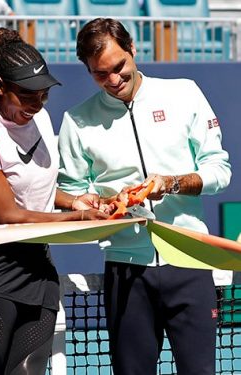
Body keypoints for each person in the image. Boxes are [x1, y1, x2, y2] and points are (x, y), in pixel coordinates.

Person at [58, 18, 232, 374]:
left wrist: (170, 183)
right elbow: (68, 193)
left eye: (119, 67)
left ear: (133, 49)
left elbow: (220, 171)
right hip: (125, 271)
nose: (113, 80)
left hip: (190, 260)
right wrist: (93, 204)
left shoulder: (184, 93)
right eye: (99, 74)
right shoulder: (77, 121)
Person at [0, 28, 108, 374]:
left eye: (43, 94)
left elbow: (35, 187)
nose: (36, 103)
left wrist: (73, 202)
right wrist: (78, 220)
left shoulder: (42, 119)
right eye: (27, 94)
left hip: (35, 264)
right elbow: (7, 214)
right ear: (0, 86)